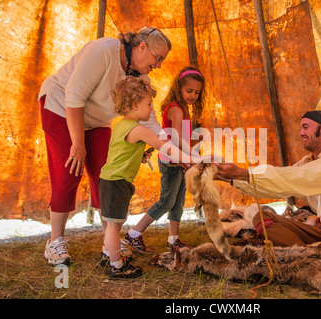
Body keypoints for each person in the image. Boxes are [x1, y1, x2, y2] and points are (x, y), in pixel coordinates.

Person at [39, 27, 172, 266]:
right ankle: (55, 241)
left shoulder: (141, 77)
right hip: (61, 106)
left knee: (107, 174)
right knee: (69, 171)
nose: (159, 65)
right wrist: (78, 143)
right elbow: (74, 96)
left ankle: (109, 241)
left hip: (96, 121)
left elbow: (148, 120)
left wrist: (167, 146)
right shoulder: (102, 50)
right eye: (158, 57)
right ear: (142, 47)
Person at [214, 110, 321, 265]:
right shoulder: (310, 161)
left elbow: (292, 178)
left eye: (305, 127)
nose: (301, 133)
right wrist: (230, 177)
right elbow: (280, 183)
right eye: (300, 128)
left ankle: (311, 252)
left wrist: (244, 173)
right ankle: (312, 253)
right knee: (262, 217)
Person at [99, 76, 204, 278]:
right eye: (148, 104)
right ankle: (117, 265)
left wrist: (141, 155)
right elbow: (166, 148)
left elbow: (121, 150)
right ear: (134, 105)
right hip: (117, 182)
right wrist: (194, 159)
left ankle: (108, 254)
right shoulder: (139, 129)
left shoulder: (120, 125)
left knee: (113, 224)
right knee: (114, 227)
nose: (151, 109)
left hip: (109, 180)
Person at [125, 66, 206, 252]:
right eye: (189, 91)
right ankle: (134, 233)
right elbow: (176, 139)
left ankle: (173, 239)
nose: (193, 95)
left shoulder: (184, 107)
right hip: (171, 161)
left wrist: (190, 155)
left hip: (181, 161)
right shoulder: (176, 109)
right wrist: (192, 158)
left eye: (197, 92)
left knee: (177, 202)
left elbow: (182, 139)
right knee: (167, 201)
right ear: (179, 88)